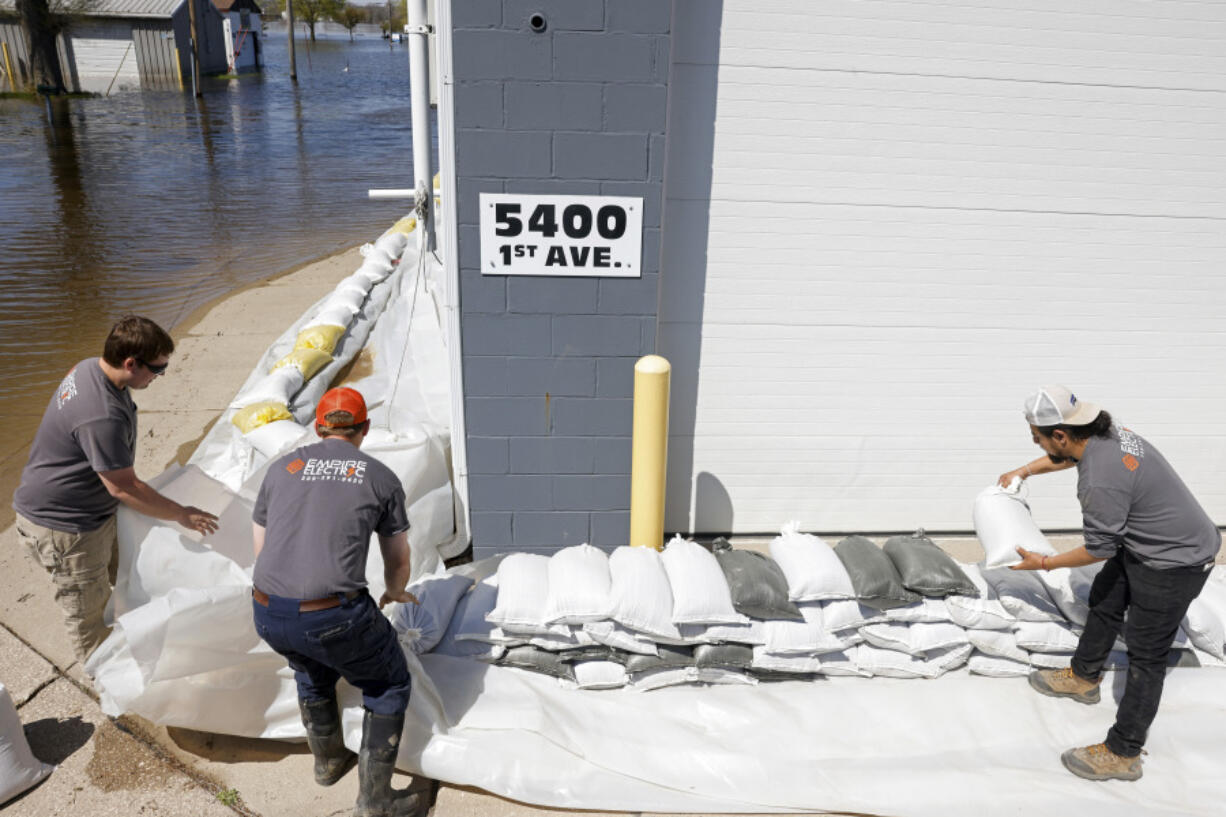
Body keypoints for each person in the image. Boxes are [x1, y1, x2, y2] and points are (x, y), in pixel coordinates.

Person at [999, 385, 1220, 782]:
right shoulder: (1107, 434)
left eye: (1039, 437)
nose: (1038, 443)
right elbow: (1067, 459)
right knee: (1104, 597)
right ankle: (1084, 677)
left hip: (1176, 561)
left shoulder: (1099, 481)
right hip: (1147, 543)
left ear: (1061, 435)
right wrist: (1024, 471)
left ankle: (1124, 752)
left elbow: (1099, 548)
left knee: (1146, 657)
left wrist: (1044, 562)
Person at [251, 386, 421, 817]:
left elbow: (261, 546)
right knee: (388, 683)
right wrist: (395, 590)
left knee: (310, 668)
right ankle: (376, 802)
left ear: (317, 427)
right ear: (364, 429)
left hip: (267, 608)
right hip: (332, 614)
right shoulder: (379, 477)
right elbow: (397, 557)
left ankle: (327, 762)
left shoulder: (281, 468)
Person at [13, 316, 219, 665]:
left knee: (128, 576)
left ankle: (133, 643)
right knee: (87, 616)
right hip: (66, 528)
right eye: (157, 369)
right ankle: (110, 683)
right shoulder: (101, 415)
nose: (160, 376)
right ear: (130, 363)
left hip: (90, 509)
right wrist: (182, 514)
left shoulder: (88, 368)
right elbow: (124, 488)